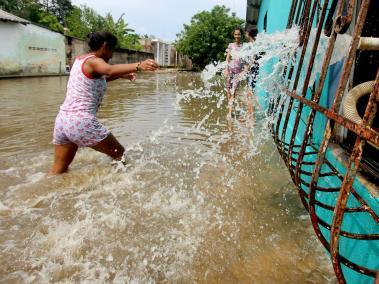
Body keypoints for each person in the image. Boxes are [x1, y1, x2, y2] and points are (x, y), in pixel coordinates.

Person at [48, 31, 159, 175]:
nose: (111, 55)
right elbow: (109, 70)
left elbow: (95, 81)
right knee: (119, 153)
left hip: (63, 121)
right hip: (80, 121)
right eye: (112, 50)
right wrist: (139, 65)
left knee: (58, 170)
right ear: (105, 46)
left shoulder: (80, 60)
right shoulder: (94, 61)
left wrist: (122, 76)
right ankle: (119, 188)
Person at [225, 27, 244, 119]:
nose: (237, 36)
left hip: (238, 73)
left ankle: (229, 113)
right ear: (233, 35)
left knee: (234, 92)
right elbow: (227, 58)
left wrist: (244, 71)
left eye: (239, 34)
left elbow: (245, 60)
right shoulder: (231, 45)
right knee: (228, 91)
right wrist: (225, 69)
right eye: (236, 34)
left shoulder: (243, 46)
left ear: (241, 35)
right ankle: (231, 109)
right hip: (230, 70)